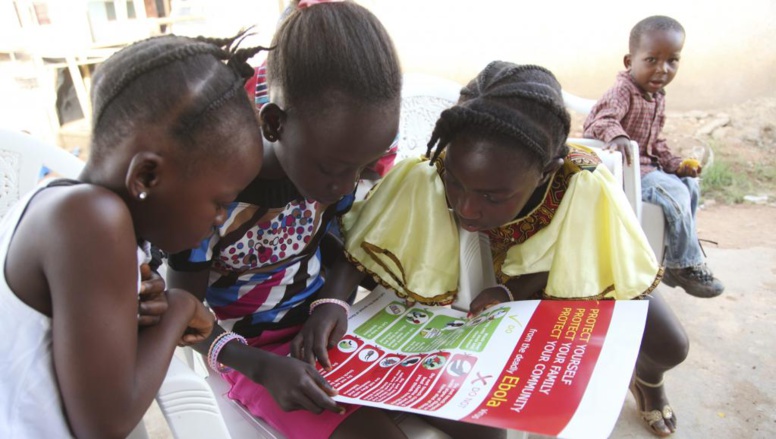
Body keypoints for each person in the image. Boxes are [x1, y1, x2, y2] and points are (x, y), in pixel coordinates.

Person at [167, 2, 501, 439]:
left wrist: (331, 304)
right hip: (257, 355)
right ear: (274, 124)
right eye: (335, 169)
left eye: (365, 167)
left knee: (482, 421)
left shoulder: (329, 171)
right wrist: (261, 366)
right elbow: (183, 313)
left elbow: (344, 248)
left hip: (337, 330)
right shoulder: (213, 199)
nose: (347, 187)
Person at [341, 61, 689, 437]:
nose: (467, 209)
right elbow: (361, 251)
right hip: (494, 291)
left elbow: (592, 262)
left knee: (671, 345)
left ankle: (648, 382)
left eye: (492, 196)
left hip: (576, 280)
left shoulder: (583, 184)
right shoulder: (431, 172)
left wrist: (512, 291)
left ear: (547, 171)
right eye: (457, 185)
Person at [0, 34, 265, 438]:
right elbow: (105, 425)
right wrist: (180, 306)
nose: (219, 218)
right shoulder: (93, 220)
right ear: (146, 176)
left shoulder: (72, 203)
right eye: (219, 201)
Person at [583, 15, 724, 299]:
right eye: (651, 60)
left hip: (647, 169)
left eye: (672, 60)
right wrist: (617, 135)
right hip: (625, 171)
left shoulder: (657, 96)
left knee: (688, 186)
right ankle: (686, 264)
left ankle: (673, 257)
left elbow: (655, 143)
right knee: (674, 193)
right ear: (629, 61)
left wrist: (677, 165)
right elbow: (598, 121)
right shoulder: (623, 91)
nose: (663, 69)